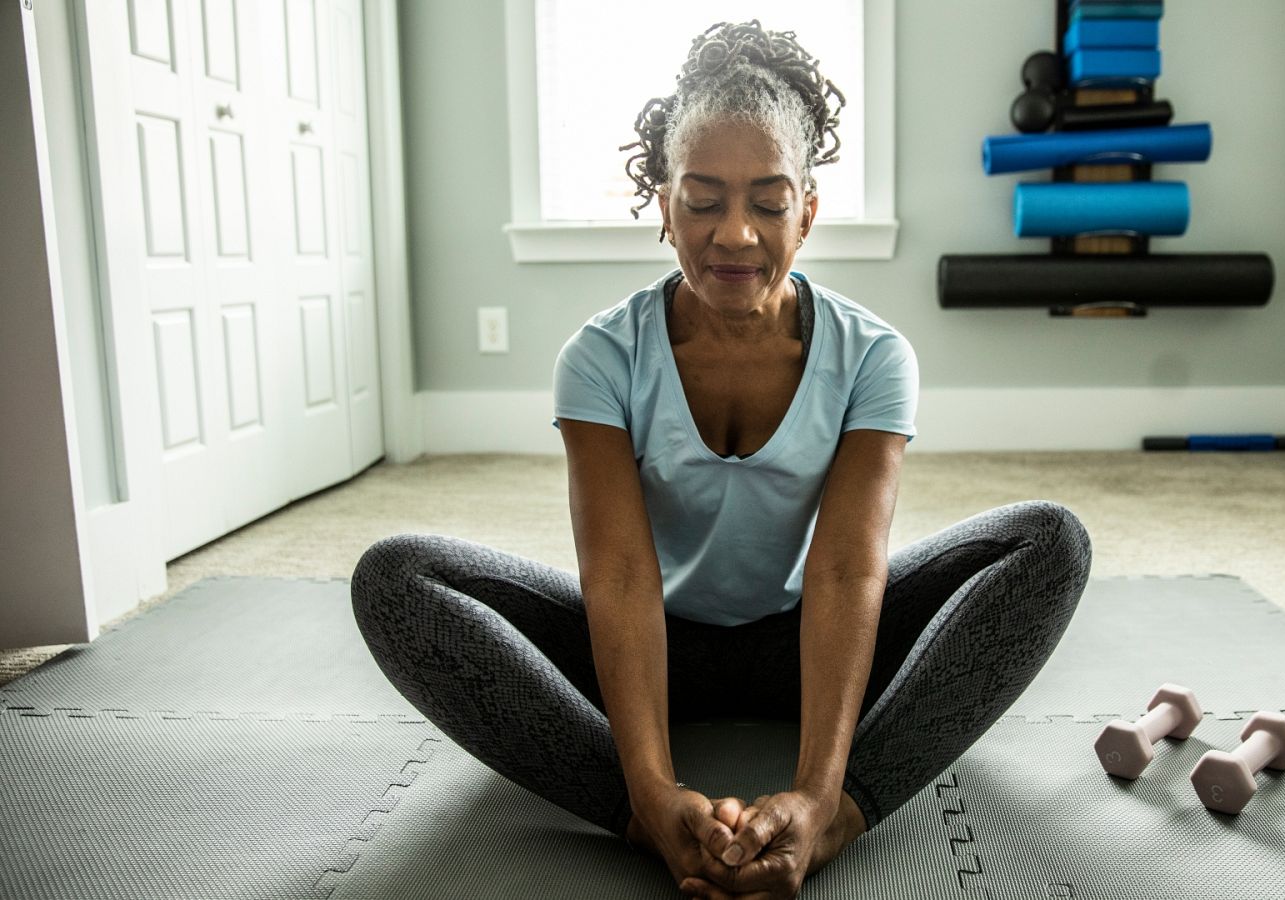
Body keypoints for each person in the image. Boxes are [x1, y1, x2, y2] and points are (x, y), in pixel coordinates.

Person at [349, 20, 1091, 900]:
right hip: (646, 640)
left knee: (1050, 541)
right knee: (396, 578)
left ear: (806, 213)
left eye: (768, 203)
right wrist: (655, 786)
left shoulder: (874, 356)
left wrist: (817, 794)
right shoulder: (600, 358)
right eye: (703, 201)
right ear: (664, 207)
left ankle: (843, 818)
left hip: (806, 638)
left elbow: (850, 568)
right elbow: (618, 575)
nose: (735, 234)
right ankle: (647, 821)